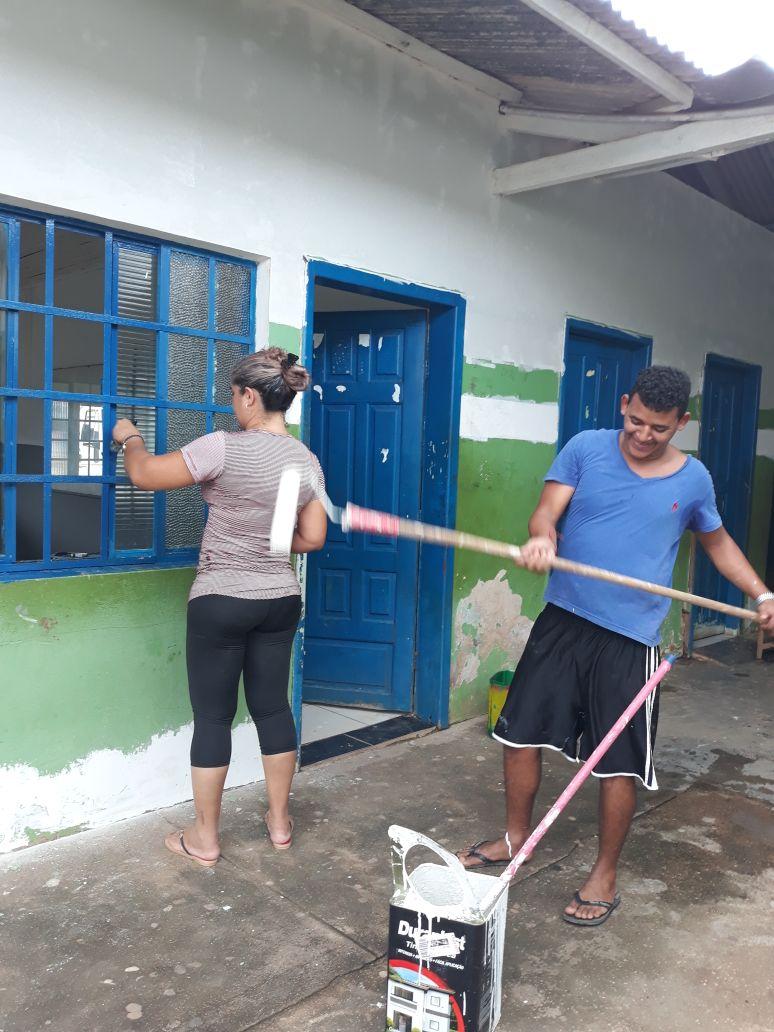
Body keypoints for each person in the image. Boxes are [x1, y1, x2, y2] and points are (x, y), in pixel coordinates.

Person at [457, 366, 774, 926]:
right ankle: (514, 837)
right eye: (635, 421)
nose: (644, 435)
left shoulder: (693, 479)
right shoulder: (585, 448)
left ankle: (604, 873)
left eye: (659, 428)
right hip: (564, 620)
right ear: (624, 405)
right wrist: (540, 535)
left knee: (618, 764)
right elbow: (547, 510)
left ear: (682, 422)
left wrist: (761, 592)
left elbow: (718, 540)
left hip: (631, 640)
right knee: (518, 734)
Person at [111, 348, 327, 867]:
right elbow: (311, 537)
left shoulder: (223, 448)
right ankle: (278, 822)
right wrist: (266, 538)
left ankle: (205, 838)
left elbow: (145, 476)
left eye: (233, 395)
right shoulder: (304, 460)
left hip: (221, 598)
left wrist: (129, 438)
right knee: (273, 707)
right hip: (279, 599)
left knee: (213, 718)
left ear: (251, 395)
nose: (232, 404)